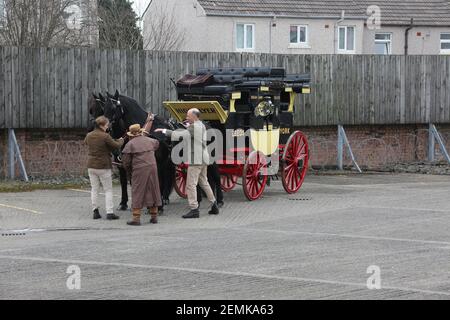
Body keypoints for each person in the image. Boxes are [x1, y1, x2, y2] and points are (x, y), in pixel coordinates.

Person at [155, 108, 219, 219]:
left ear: (194, 116)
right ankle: (214, 204)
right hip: (204, 158)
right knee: (204, 182)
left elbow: (180, 135)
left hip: (196, 159)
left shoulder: (194, 127)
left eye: (188, 116)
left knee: (190, 184)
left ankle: (194, 209)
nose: (186, 118)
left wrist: (164, 131)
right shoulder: (202, 125)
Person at [122, 116, 162, 226]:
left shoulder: (130, 144)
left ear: (131, 135)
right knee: (153, 189)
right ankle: (154, 216)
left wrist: (129, 172)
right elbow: (157, 144)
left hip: (139, 169)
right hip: (153, 167)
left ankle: (136, 218)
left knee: (137, 191)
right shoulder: (150, 141)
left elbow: (126, 162)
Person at [84, 116, 124, 220]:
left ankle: (95, 211)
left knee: (94, 189)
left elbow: (86, 142)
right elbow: (116, 145)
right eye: (106, 125)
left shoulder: (89, 135)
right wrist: (121, 140)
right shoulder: (105, 136)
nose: (108, 126)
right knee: (108, 190)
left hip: (91, 165)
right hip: (103, 166)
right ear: (101, 125)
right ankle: (109, 213)